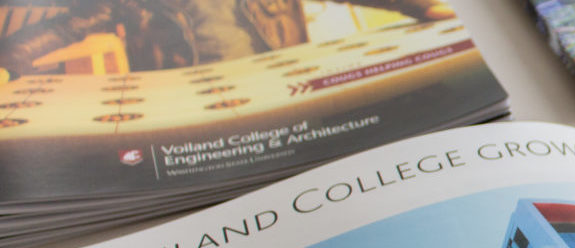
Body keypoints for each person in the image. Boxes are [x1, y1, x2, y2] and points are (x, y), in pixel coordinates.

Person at [0, 0, 455, 77]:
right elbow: (70, 25)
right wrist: (10, 58)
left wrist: (421, 7)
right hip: (191, 96)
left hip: (278, 78)